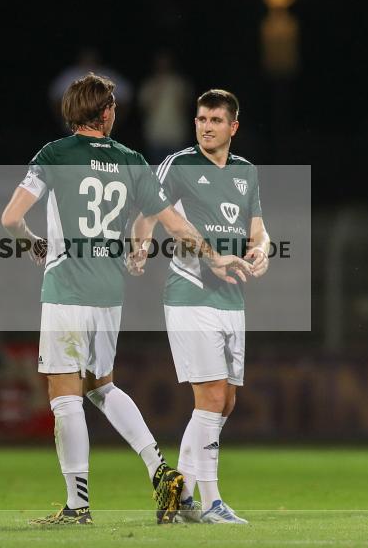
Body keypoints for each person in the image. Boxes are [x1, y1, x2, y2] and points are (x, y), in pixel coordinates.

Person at [1, 74, 252, 525]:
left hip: (67, 288)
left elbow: (11, 217)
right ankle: (160, 469)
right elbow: (174, 223)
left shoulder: (55, 155)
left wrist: (32, 240)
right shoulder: (133, 161)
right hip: (108, 292)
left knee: (65, 398)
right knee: (102, 386)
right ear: (105, 113)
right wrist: (213, 257)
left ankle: (78, 507)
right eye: (113, 105)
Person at [129, 89, 270, 524]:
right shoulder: (180, 164)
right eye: (201, 118)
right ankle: (210, 503)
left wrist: (262, 250)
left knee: (225, 401)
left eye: (214, 120)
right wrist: (141, 241)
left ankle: (182, 495)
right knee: (209, 396)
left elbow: (258, 230)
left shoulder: (246, 172)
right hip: (191, 293)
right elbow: (147, 210)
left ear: (233, 127)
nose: (205, 126)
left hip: (231, 298)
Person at [138, 50, 193, 164]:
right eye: (160, 62)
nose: (163, 65)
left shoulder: (180, 83)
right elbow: (144, 108)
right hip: (155, 134)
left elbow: (186, 107)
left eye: (166, 62)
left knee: (176, 171)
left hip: (176, 134)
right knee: (157, 170)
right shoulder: (149, 84)